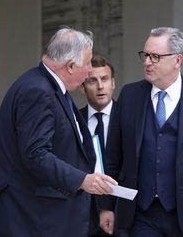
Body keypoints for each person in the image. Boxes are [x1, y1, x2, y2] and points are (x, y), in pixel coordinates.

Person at [0, 27, 117, 237]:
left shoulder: (44, 85)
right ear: (70, 66)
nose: (90, 69)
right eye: (88, 63)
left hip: (46, 218)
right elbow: (36, 154)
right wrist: (83, 180)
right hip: (35, 220)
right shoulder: (38, 91)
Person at [99, 27, 183, 237]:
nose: (147, 62)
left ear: (177, 60)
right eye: (145, 55)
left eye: (155, 57)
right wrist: (106, 205)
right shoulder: (130, 95)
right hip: (139, 213)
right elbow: (113, 156)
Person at [80, 55, 117, 236]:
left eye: (105, 79)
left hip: (121, 215)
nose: (100, 86)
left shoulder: (130, 118)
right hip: (83, 216)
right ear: (82, 87)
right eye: (92, 81)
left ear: (113, 83)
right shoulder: (74, 121)